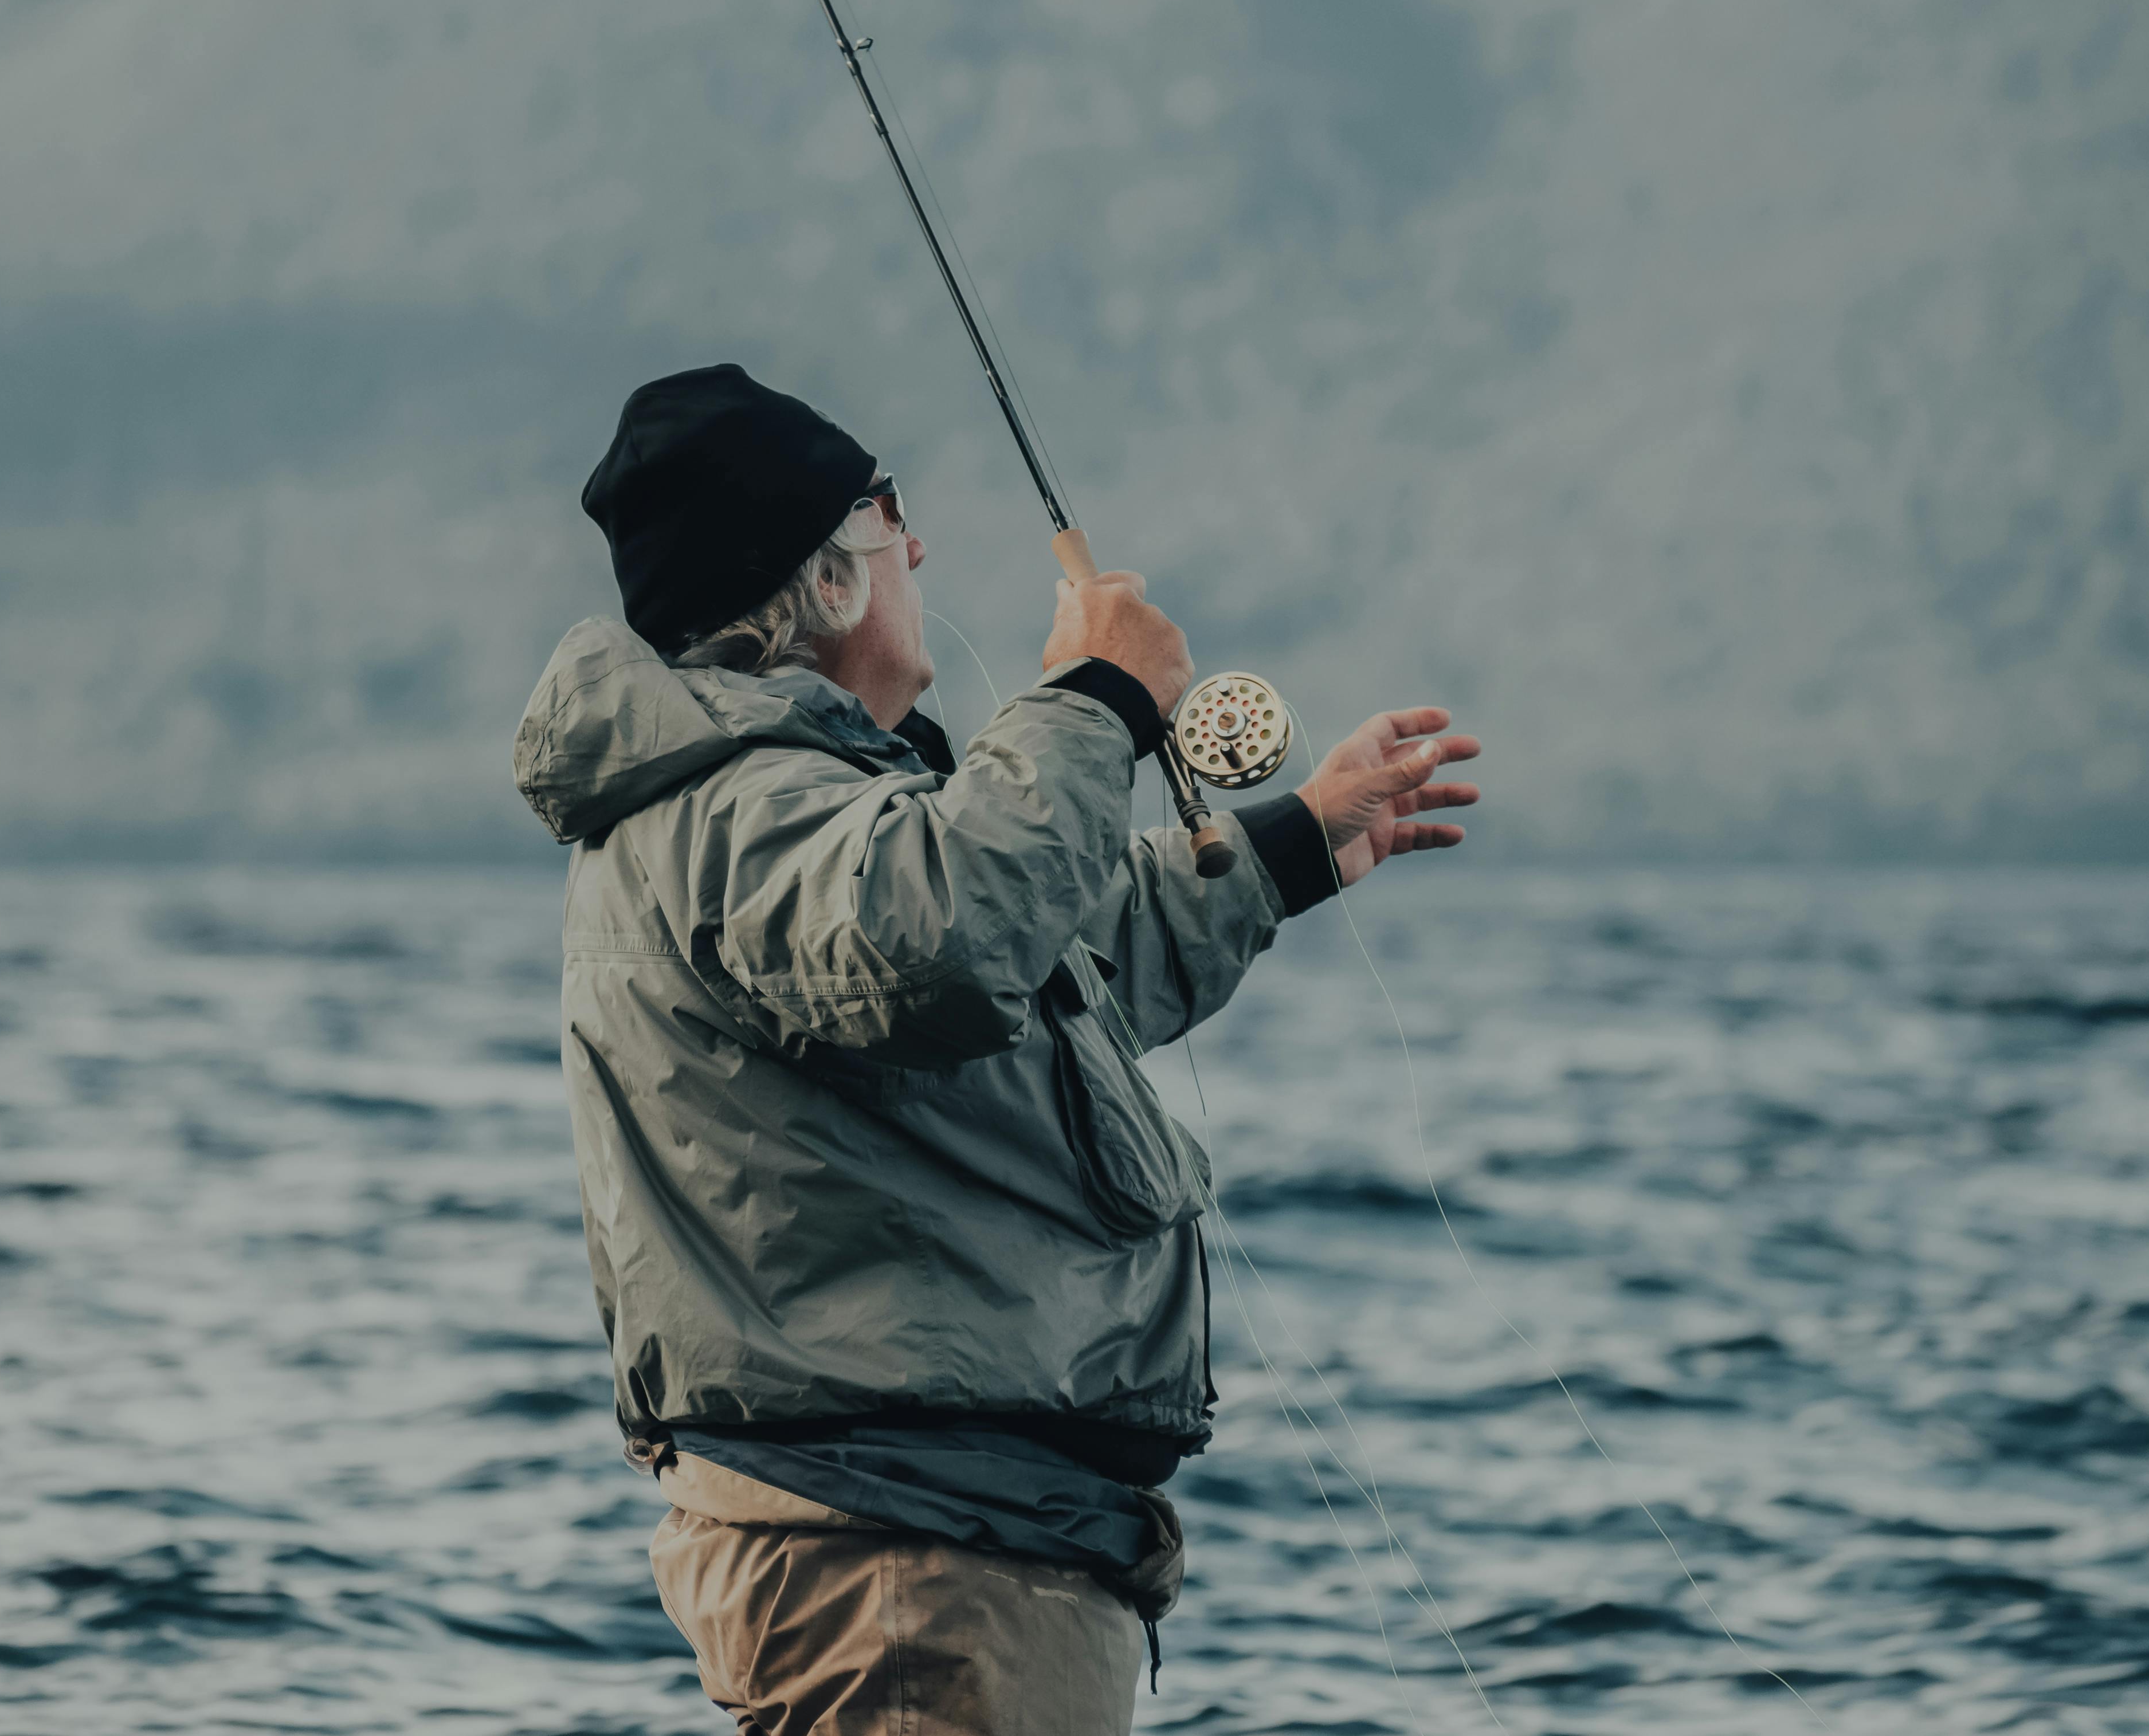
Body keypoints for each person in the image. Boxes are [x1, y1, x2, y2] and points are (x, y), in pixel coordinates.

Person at [512, 364, 1484, 1733]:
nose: (919, 547)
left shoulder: (791, 808)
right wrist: (1094, 698)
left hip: (950, 1551)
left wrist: (1295, 842)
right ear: (828, 579)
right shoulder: (738, 808)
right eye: (886, 513)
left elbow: (1038, 965)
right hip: (903, 1564)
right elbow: (945, 938)